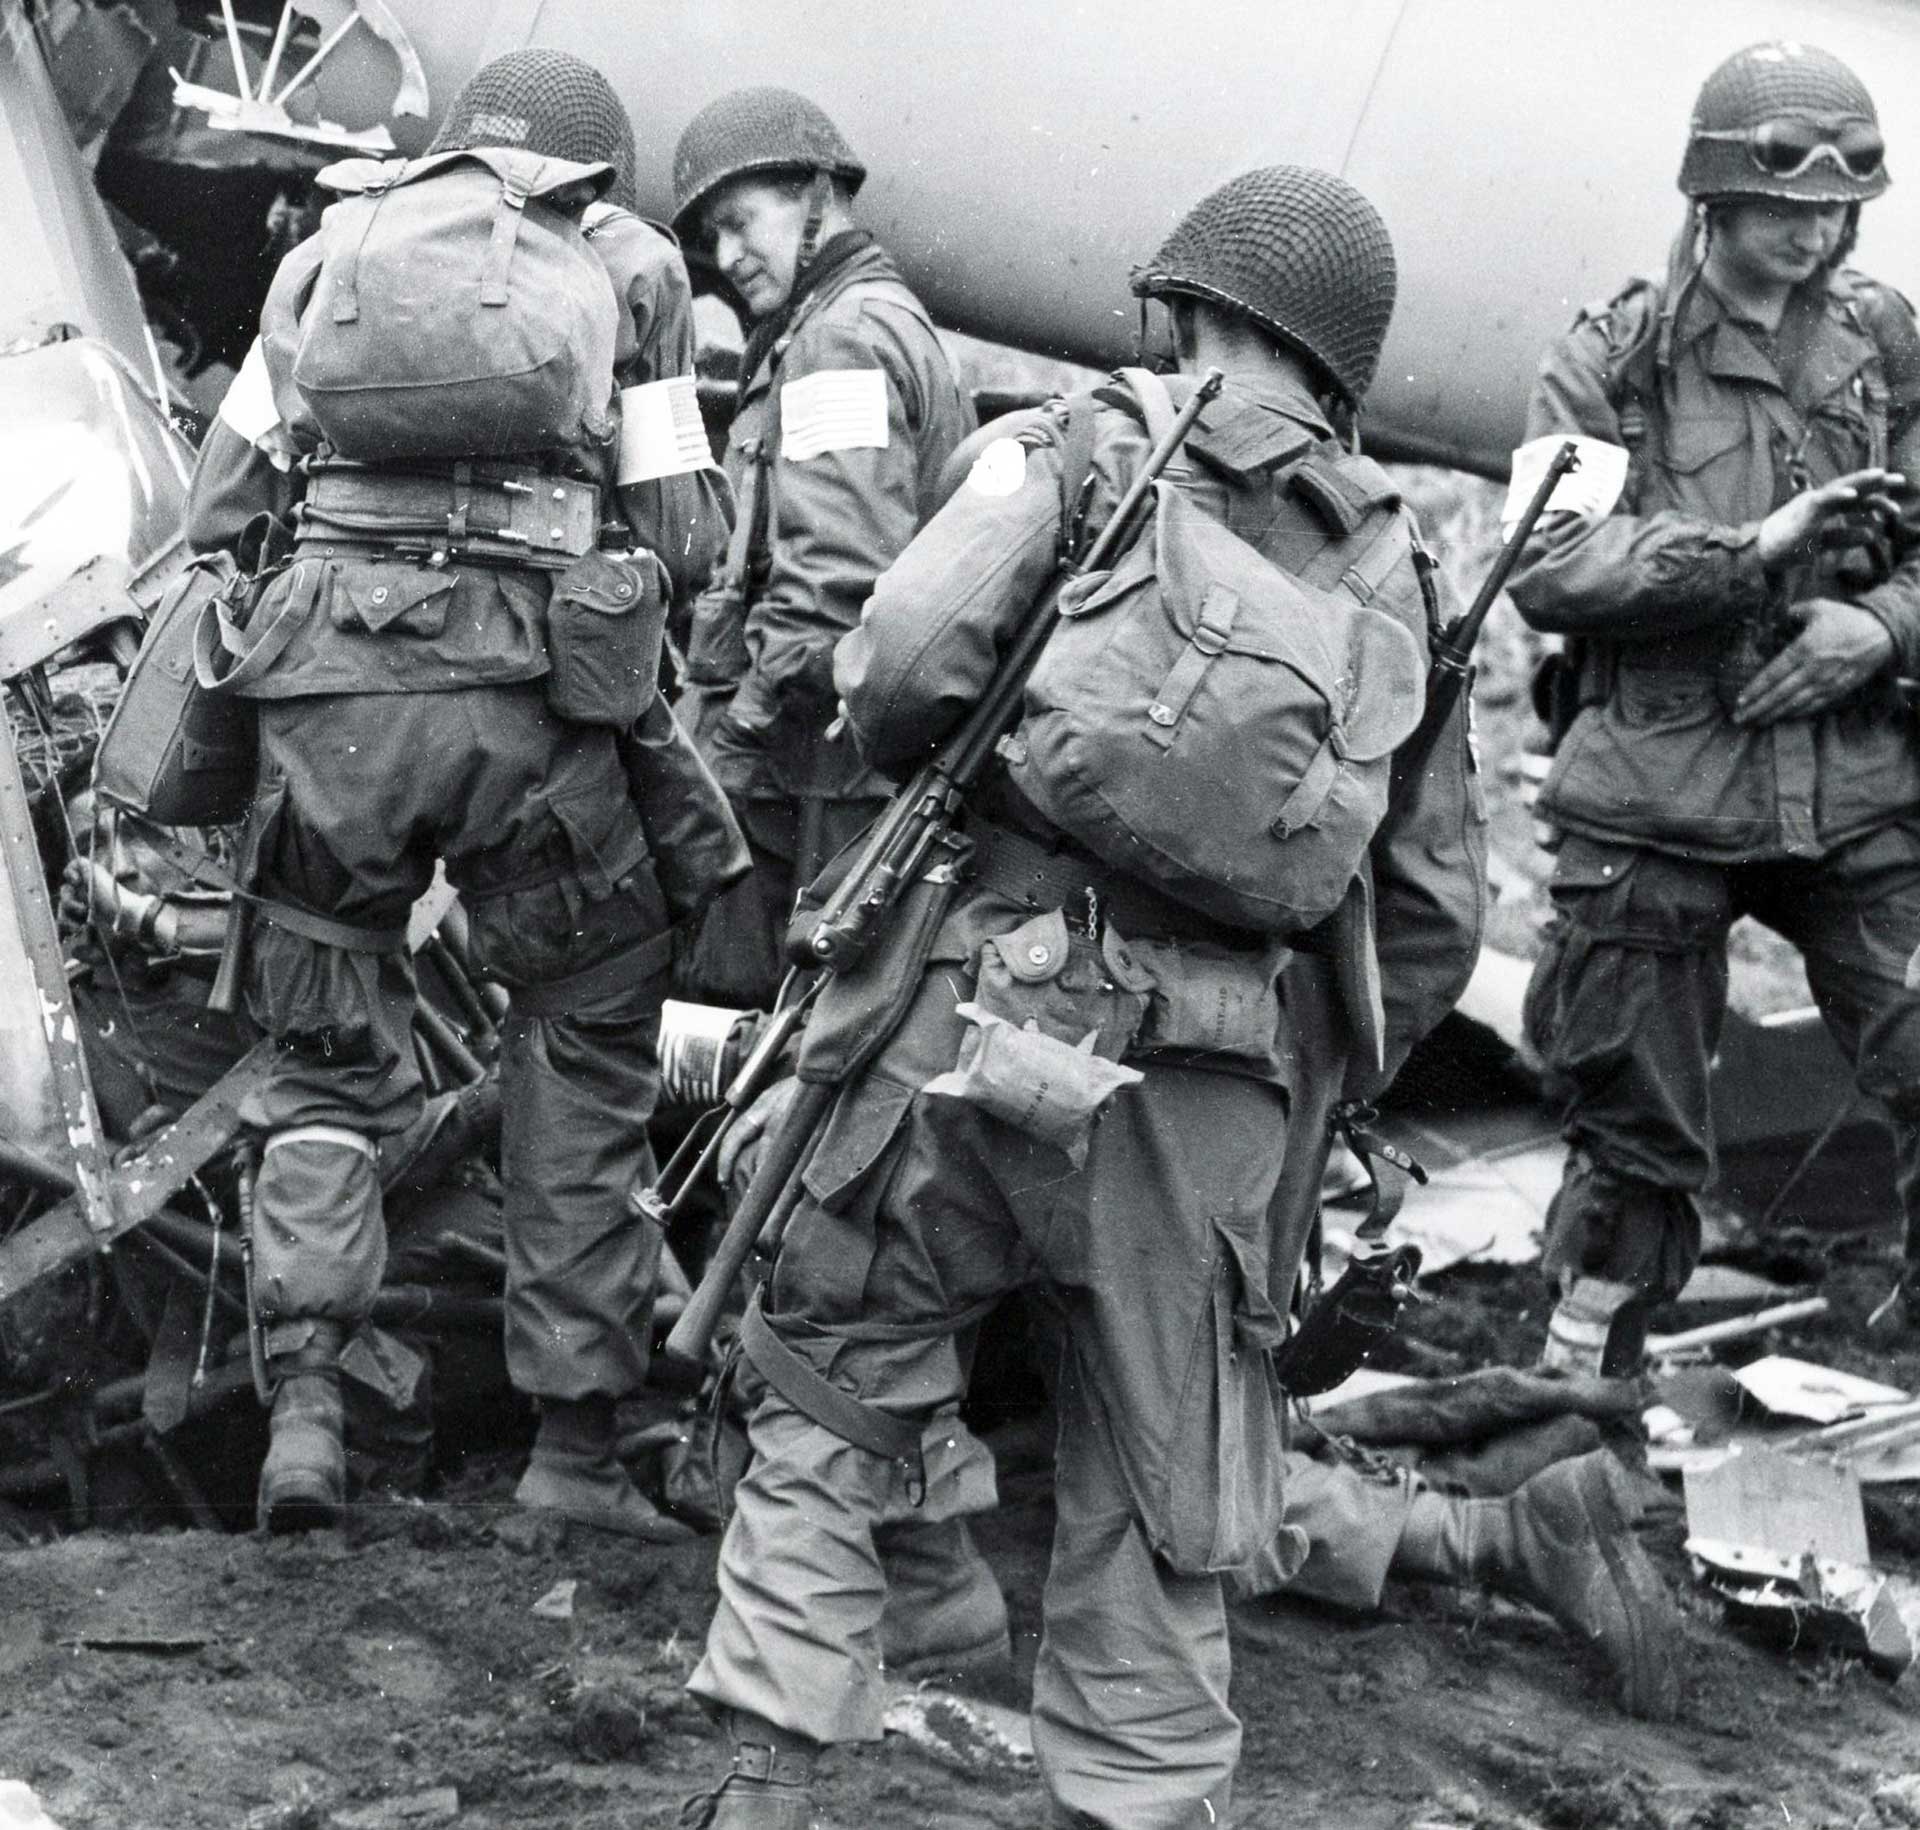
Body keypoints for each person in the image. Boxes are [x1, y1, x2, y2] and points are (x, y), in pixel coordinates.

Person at [683, 165, 1485, 1830]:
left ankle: (759, 1791)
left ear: (1186, 309)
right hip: (1207, 1089)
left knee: (833, 1392)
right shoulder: (1399, 579)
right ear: (1340, 366)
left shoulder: (1083, 446)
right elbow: (1427, 918)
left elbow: (898, 660)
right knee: (1155, 1486)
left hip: (975, 1009)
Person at [184, 48, 730, 1537]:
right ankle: (568, 1455)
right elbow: (681, 532)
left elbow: (219, 508)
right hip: (528, 709)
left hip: (325, 698)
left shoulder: (322, 258)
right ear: (589, 174)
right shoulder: (636, 267)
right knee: (583, 1025)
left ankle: (305, 1414)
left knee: (319, 1046)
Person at [1511, 40, 1920, 1357]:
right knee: (1632, 1141)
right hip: (1657, 789)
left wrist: (1877, 624)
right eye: (1784, 205)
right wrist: (1747, 552)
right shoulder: (1616, 358)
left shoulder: (1889, 343)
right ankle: (1577, 1418)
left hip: (1852, 778)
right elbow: (1546, 560)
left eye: (1835, 210)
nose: (1813, 235)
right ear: (1715, 199)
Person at [668, 86, 974, 1010]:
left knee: (726, 1029)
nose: (726, 257)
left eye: (740, 222)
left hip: (802, 772)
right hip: (821, 764)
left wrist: (727, 742)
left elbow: (836, 584)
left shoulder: (838, 338)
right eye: (710, 237)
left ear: (814, 194)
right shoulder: (859, 319)